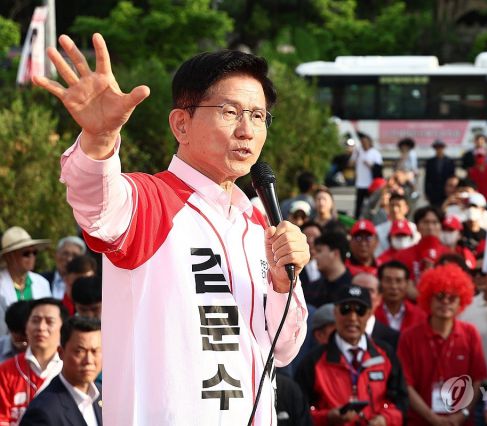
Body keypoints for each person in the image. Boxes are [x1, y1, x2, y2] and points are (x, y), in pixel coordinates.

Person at [35, 34, 309, 424]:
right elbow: (94, 201)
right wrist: (99, 140)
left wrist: (284, 286)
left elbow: (282, 350)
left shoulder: (258, 223)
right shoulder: (149, 201)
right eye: (230, 112)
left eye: (258, 115)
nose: (247, 130)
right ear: (181, 124)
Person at [295, 284, 408, 425]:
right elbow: (299, 412)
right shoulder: (313, 361)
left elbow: (401, 402)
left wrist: (385, 419)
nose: (353, 318)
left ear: (369, 314)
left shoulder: (386, 354)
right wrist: (327, 417)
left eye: (360, 310)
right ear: (335, 313)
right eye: (345, 309)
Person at [397, 264, 487, 425]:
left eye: (452, 298)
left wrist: (462, 415)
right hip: (420, 422)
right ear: (428, 298)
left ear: (461, 301)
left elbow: (477, 380)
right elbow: (406, 385)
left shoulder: (470, 334)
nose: (445, 302)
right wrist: (432, 418)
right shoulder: (409, 337)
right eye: (439, 296)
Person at [21, 316, 103, 426]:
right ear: (61, 352)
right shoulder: (42, 412)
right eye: (80, 351)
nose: (89, 360)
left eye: (95, 351)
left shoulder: (104, 395)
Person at [0, 298, 68, 423]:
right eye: (35, 321)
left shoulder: (70, 370)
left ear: (63, 328)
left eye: (49, 321)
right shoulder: (5, 371)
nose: (41, 327)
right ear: (26, 326)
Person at [0, 227, 52, 337]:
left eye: (34, 252)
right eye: (26, 253)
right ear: (9, 257)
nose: (32, 257)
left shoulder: (42, 283)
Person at [351, 272, 400, 351]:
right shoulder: (334, 333)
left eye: (369, 290)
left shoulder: (394, 338)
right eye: (357, 289)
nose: (362, 295)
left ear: (379, 298)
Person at [375, 261, 426, 334]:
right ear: (379, 282)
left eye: (399, 281)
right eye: (388, 280)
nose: (393, 286)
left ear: (407, 284)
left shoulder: (419, 316)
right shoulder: (371, 312)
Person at [304, 232, 352, 308]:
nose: (315, 257)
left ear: (335, 253)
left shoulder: (353, 285)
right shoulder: (313, 288)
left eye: (319, 251)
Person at [40, 236, 87, 300]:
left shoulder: (87, 284)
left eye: (75, 255)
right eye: (65, 253)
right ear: (56, 254)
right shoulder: (40, 280)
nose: (69, 259)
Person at [350, 132, 383, 219]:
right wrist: (355, 154)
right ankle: (357, 219)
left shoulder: (375, 153)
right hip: (360, 183)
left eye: (365, 142)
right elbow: (350, 163)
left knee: (371, 203)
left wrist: (369, 165)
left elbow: (379, 169)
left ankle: (370, 219)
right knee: (359, 203)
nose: (363, 144)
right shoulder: (358, 151)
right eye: (362, 142)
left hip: (371, 184)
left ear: (369, 142)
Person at [424, 140, 455, 207]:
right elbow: (427, 178)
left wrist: (452, 190)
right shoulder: (430, 162)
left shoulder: (449, 161)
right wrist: (426, 192)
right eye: (437, 148)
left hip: (446, 191)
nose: (439, 150)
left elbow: (452, 178)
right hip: (434, 191)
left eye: (440, 148)